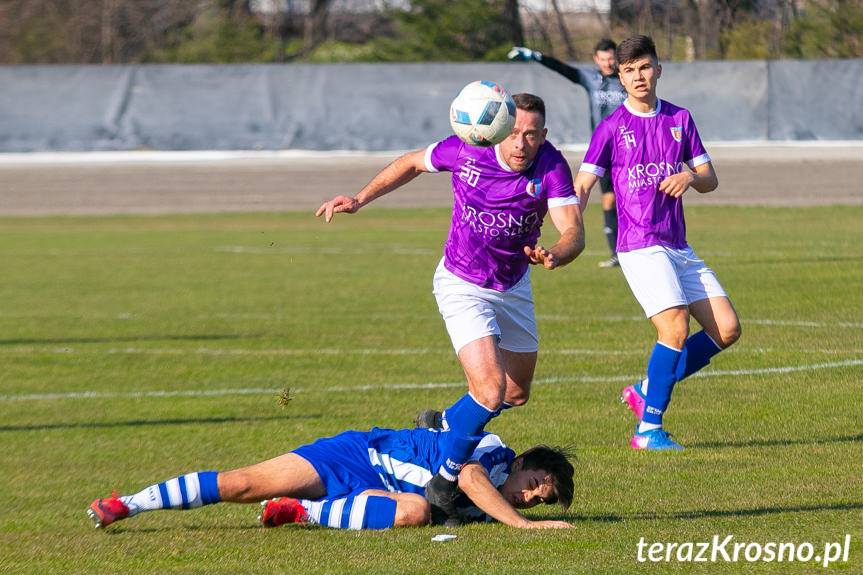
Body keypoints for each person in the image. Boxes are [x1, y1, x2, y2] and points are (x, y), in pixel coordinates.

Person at [315, 93, 584, 523]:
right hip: (461, 282)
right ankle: (444, 481)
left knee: (515, 394)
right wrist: (360, 198)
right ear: (499, 128)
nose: (521, 143)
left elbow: (574, 229)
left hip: (513, 286)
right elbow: (409, 162)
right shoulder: (467, 150)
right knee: (490, 391)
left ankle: (444, 421)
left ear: (543, 136)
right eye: (514, 132)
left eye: (531, 135)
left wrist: (556, 253)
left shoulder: (550, 165)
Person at [571, 35, 741, 450]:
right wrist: (569, 228)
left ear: (658, 69)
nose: (638, 76)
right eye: (629, 71)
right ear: (621, 76)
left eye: (644, 67)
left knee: (727, 329)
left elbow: (710, 178)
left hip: (677, 244)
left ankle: (645, 388)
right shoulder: (611, 127)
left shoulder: (680, 119)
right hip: (639, 243)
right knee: (675, 327)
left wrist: (690, 177)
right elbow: (584, 183)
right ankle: (648, 429)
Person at [87, 424, 574, 531]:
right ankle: (128, 503)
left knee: (415, 512)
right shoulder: (491, 452)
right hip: (356, 456)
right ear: (521, 462)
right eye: (535, 483)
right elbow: (468, 477)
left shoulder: (494, 505)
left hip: (383, 490)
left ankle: (306, 512)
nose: (530, 496)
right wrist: (523, 526)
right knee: (243, 484)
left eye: (537, 502)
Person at [508, 39, 627, 268]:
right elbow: (563, 69)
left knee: (630, 198)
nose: (608, 63)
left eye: (611, 58)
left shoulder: (627, 80)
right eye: (603, 59)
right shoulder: (591, 78)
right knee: (608, 199)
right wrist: (536, 56)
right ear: (596, 59)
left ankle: (637, 248)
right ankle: (616, 252)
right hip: (603, 150)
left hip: (628, 148)